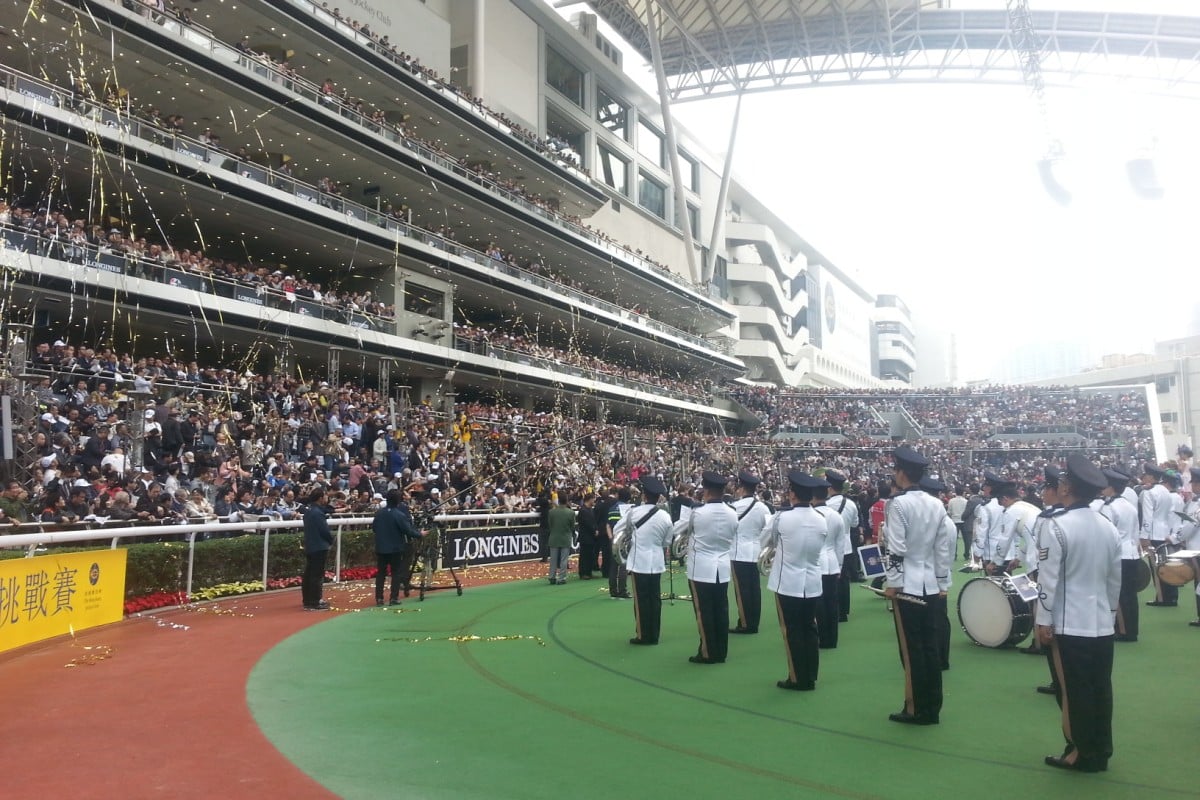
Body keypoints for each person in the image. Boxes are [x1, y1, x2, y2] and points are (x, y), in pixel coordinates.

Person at [1036, 453, 1121, 773]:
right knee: (1100, 688)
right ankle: (1100, 749)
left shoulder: (1056, 525)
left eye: (1060, 482)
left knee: (1072, 691)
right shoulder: (1107, 526)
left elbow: (1049, 579)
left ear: (1068, 488)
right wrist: (1110, 614)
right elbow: (1114, 580)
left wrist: (1043, 621)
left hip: (1068, 623)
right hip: (1100, 622)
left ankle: (1079, 751)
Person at [883, 445, 953, 726]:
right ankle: (932, 706)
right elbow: (942, 549)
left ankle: (915, 707)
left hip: (908, 586)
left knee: (912, 652)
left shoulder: (897, 504)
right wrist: (942, 581)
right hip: (930, 585)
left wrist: (893, 583)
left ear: (901, 473)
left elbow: (896, 549)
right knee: (929, 648)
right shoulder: (936, 504)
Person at [763, 470, 827, 690]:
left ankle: (796, 676)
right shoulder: (821, 520)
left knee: (792, 630)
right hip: (812, 581)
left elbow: (766, 541)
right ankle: (810, 675)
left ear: (792, 494)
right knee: (809, 628)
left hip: (787, 581)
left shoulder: (781, 517)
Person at [674, 471, 738, 664]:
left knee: (704, 611)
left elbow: (679, 530)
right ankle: (721, 650)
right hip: (722, 566)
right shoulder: (732, 513)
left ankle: (708, 651)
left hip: (701, 566)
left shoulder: (698, 512)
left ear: (707, 491)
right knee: (721, 608)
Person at [622, 476, 674, 645]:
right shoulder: (665, 516)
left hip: (639, 562)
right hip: (656, 562)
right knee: (655, 599)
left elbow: (620, 530)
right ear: (658, 497)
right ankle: (654, 634)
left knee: (641, 600)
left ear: (644, 495)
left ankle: (643, 634)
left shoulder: (634, 512)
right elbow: (667, 542)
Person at [1096, 468, 1141, 641]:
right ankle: (1131, 629)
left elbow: (1106, 535)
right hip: (1131, 553)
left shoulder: (1108, 508)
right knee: (1130, 594)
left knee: (1118, 594)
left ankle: (1122, 630)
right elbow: (1135, 531)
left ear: (1111, 487)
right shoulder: (1128, 505)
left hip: (1118, 555)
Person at [918, 475, 955, 671]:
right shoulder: (942, 519)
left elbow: (940, 554)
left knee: (938, 621)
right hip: (937, 575)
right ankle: (940, 657)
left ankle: (940, 658)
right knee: (938, 619)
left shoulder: (940, 521)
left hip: (935, 576)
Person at [729, 469, 769, 634]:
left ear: (742, 488)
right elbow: (767, 530)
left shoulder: (734, 507)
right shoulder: (763, 508)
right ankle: (754, 621)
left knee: (742, 590)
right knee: (754, 589)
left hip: (738, 552)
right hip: (756, 551)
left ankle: (745, 623)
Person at [372, 488, 423, 606]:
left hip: (381, 548)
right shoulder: (399, 515)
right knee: (396, 573)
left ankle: (379, 599)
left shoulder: (379, 513)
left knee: (381, 573)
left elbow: (374, 528)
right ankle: (393, 598)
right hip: (396, 548)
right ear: (398, 501)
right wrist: (420, 534)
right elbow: (408, 531)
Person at [812, 478, 846, 649]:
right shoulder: (836, 515)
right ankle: (832, 639)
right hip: (832, 562)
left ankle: (823, 637)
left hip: (816, 562)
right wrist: (839, 565)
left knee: (819, 602)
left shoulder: (811, 515)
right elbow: (841, 545)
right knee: (832, 602)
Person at [1140, 463, 1177, 606]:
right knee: (1166, 566)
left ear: (1150, 476)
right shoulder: (1165, 491)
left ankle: (1161, 597)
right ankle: (1171, 596)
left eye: (1146, 474)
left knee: (1156, 567)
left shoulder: (1149, 492)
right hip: (1165, 531)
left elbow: (1147, 516)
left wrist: (1144, 536)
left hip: (1154, 533)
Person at [825, 469, 860, 620]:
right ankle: (844, 610)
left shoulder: (826, 505)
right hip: (846, 546)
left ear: (830, 487)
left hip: (830, 546)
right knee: (844, 579)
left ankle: (834, 609)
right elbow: (855, 523)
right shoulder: (851, 504)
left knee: (831, 579)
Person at [301, 487, 334, 611]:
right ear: (320, 498)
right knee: (316, 575)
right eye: (325, 496)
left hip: (310, 546)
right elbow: (324, 531)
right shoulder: (318, 513)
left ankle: (308, 600)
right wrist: (331, 540)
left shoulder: (309, 511)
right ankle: (315, 601)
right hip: (319, 546)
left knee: (309, 574)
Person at [547, 493, 575, 585]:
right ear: (566, 501)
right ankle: (561, 578)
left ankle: (552, 576)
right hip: (565, 537)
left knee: (553, 559)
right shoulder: (571, 512)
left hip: (554, 537)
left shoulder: (552, 512)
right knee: (564, 559)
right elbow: (572, 526)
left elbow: (550, 525)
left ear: (558, 500)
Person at [576, 492, 599, 579]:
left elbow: (593, 522)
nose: (594, 501)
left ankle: (588, 572)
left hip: (590, 536)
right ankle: (583, 573)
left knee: (590, 555)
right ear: (589, 499)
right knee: (584, 555)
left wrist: (596, 529)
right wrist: (594, 530)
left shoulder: (590, 510)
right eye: (593, 499)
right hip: (585, 536)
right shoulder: (583, 510)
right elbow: (587, 523)